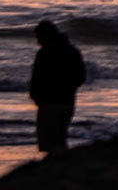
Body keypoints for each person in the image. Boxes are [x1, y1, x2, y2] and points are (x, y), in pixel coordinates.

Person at [29, 20, 87, 155]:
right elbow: (81, 77)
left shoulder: (44, 53)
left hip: (48, 103)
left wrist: (36, 96)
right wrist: (69, 88)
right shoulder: (72, 50)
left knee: (49, 141)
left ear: (45, 36)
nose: (38, 41)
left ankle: (56, 169)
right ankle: (62, 168)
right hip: (67, 102)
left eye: (39, 37)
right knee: (60, 138)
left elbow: (37, 78)